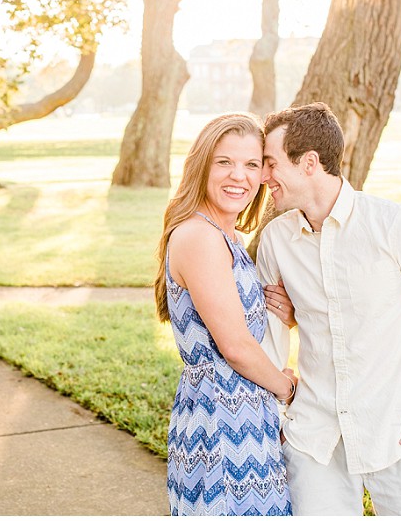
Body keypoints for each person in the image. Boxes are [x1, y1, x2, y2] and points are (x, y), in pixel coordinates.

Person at [255, 102, 401, 515]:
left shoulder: (400, 227)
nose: (263, 176)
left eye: (270, 163)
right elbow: (270, 337)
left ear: (309, 163)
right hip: (315, 441)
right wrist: (277, 419)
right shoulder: (276, 240)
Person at [154, 112, 296, 516]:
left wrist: (281, 314)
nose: (240, 176)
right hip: (221, 424)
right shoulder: (199, 236)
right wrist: (287, 391)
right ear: (202, 166)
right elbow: (234, 347)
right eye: (225, 162)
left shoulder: (225, 236)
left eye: (252, 164)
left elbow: (240, 323)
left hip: (243, 415)